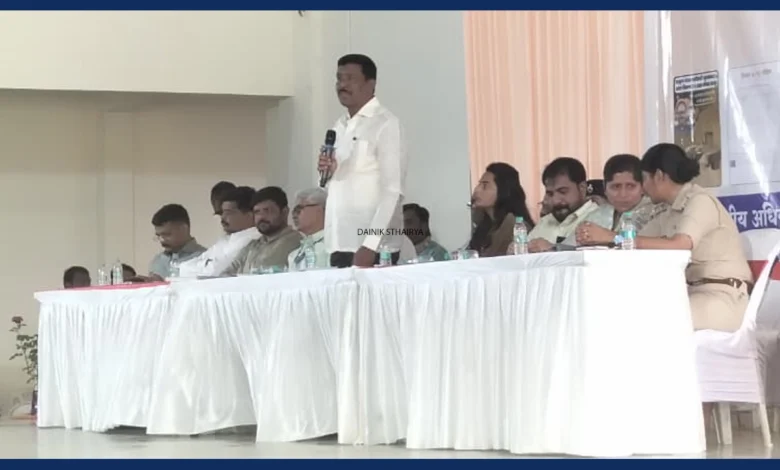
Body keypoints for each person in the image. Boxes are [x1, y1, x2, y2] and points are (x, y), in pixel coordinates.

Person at [635, 143, 752, 332]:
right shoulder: (669, 211)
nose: (643, 187)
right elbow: (637, 240)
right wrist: (608, 238)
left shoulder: (700, 201)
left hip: (722, 299)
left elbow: (681, 244)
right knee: (636, 311)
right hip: (692, 295)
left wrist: (620, 240)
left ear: (659, 175)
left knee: (654, 321)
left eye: (644, 179)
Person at [318, 54, 408, 268]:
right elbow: (336, 187)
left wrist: (371, 245)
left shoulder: (385, 124)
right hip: (339, 243)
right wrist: (328, 172)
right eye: (339, 79)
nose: (342, 85)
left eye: (350, 79)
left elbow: (393, 191)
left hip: (372, 249)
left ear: (370, 84)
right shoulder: (339, 126)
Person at [572, 154, 663, 246]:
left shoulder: (655, 212)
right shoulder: (599, 214)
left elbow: (637, 243)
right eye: (616, 187)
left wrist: (609, 237)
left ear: (643, 187)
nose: (623, 194)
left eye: (630, 186)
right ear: (605, 188)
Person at [179, 186, 261, 277]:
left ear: (249, 215)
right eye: (222, 213)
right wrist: (206, 265)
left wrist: (204, 264)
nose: (223, 218)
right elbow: (183, 268)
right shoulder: (226, 239)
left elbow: (215, 271)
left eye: (228, 212)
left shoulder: (253, 239)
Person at [223, 186, 302, 275]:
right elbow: (227, 273)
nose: (261, 217)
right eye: (257, 212)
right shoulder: (252, 245)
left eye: (267, 210)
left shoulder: (297, 243)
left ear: (284, 212)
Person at [528, 157, 598, 252]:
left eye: (563, 192)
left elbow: (593, 256)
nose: (555, 201)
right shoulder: (545, 221)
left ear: (582, 188)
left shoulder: (598, 217)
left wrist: (553, 249)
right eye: (550, 194)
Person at [468, 162, 535, 257]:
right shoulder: (486, 224)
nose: (476, 190)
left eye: (485, 186)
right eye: (479, 184)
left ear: (503, 189)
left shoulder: (513, 223)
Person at [147, 204, 206, 280]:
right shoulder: (157, 262)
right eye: (158, 235)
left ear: (184, 229)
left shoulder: (206, 258)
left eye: (167, 234)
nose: (162, 240)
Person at [287, 188, 329, 272]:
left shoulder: (335, 247)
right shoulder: (293, 256)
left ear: (319, 209)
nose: (294, 215)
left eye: (299, 209)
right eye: (294, 211)